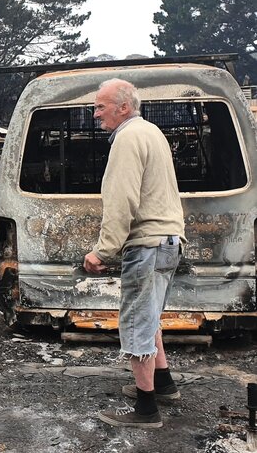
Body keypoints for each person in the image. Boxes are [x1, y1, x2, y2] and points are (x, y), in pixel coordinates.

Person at [82, 78, 186, 428]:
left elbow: (120, 200)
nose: (95, 113)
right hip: (170, 241)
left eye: (100, 106)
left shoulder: (127, 139)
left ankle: (145, 410)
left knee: (137, 323)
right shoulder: (151, 131)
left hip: (147, 244)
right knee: (151, 315)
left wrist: (103, 251)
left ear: (123, 107)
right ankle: (164, 385)